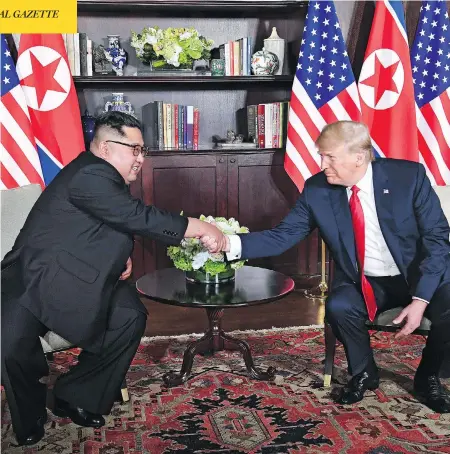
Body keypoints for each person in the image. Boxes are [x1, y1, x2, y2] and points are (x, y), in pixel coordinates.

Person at [1, 111, 227, 446]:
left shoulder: (104, 178)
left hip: (81, 275)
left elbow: (108, 223)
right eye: (134, 149)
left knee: (129, 317)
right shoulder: (91, 172)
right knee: (11, 345)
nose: (140, 159)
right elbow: (136, 216)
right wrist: (201, 227)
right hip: (32, 275)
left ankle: (75, 393)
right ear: (106, 148)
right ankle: (30, 414)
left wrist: (122, 254)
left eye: (142, 151)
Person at [202, 120, 450, 413]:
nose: (322, 164)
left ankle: (428, 376)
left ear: (359, 156)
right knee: (339, 306)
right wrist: (227, 243)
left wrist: (421, 299)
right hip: (363, 280)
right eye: (321, 155)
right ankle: (364, 372)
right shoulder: (318, 189)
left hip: (417, 274)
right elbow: (284, 236)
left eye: (330, 156)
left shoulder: (407, 177)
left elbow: (438, 240)